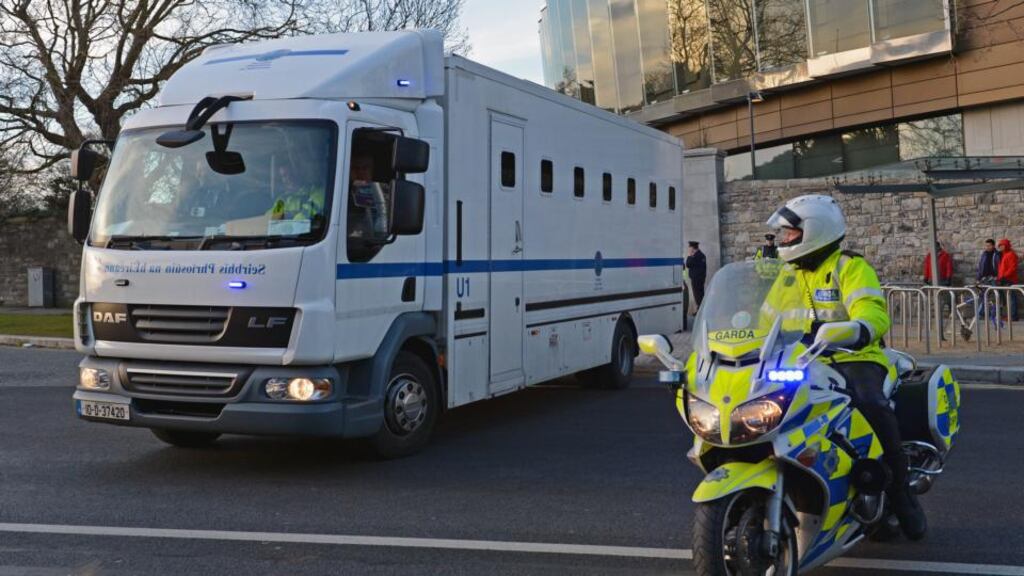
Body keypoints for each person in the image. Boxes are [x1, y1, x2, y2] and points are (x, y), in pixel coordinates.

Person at [762, 194, 927, 541]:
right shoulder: (787, 275)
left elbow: (872, 310)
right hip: (803, 360)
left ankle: (900, 492)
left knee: (871, 404)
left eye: (790, 233)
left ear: (815, 231)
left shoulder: (849, 267)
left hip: (855, 356)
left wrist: (859, 328)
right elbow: (766, 318)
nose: (784, 240)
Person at [347, 154, 389, 239]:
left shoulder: (384, 194)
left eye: (365, 168)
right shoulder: (340, 195)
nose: (360, 172)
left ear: (372, 171)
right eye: (355, 168)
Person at [997, 239, 1020, 321]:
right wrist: (1000, 277)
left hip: (1010, 280)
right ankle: (1011, 315)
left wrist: (1004, 276)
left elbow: (1012, 268)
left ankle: (1013, 316)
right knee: (1009, 298)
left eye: (1002, 245)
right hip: (1005, 279)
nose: (1000, 247)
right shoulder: (1004, 255)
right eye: (1000, 246)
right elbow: (1002, 269)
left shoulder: (1011, 254)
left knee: (1012, 298)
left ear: (1006, 246)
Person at [685, 241, 707, 312]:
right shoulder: (701, 255)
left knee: (698, 296)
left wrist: (689, 255)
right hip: (700, 279)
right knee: (700, 296)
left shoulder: (695, 256)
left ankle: (700, 312)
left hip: (696, 280)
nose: (689, 249)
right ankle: (700, 311)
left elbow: (688, 264)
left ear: (692, 248)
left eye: (689, 247)